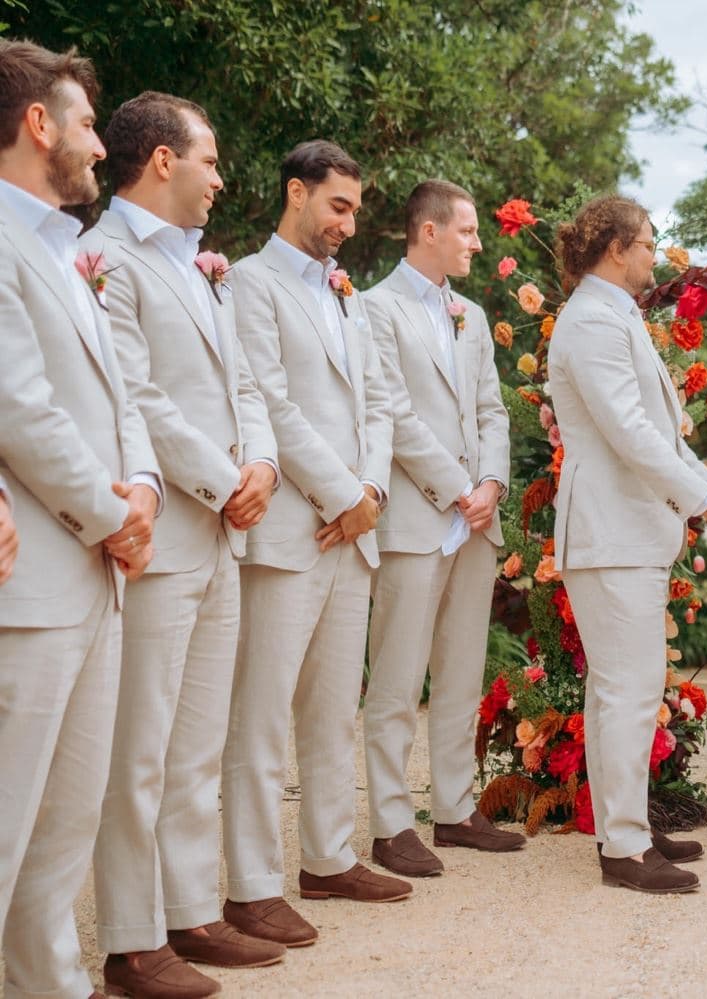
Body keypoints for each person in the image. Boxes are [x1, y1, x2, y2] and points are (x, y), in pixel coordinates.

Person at [85, 91, 285, 997]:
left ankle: (192, 910)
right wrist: (223, 478)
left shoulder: (205, 268)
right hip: (162, 530)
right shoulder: (104, 257)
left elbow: (244, 383)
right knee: (142, 745)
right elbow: (136, 394)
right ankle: (132, 943)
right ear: (163, 159)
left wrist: (265, 463)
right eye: (209, 159)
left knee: (198, 741)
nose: (219, 178)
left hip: (222, 535)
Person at [0, 39, 162, 998]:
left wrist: (141, 487)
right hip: (32, 586)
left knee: (63, 831)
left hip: (97, 574)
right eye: (90, 125)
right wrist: (111, 516)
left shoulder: (67, 251)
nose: (100, 146)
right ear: (38, 124)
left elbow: (119, 396)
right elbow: (20, 408)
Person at [220, 140, 405, 951]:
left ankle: (329, 857)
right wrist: (342, 495)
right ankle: (251, 886)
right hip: (290, 531)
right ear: (296, 192)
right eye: (338, 205)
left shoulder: (345, 294)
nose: (348, 224)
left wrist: (372, 494)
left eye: (355, 209)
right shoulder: (248, 283)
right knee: (261, 715)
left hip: (352, 529)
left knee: (333, 711)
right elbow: (268, 401)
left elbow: (378, 403)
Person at [548, 194, 707, 893]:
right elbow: (631, 435)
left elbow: (663, 437)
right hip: (610, 533)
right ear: (616, 248)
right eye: (647, 243)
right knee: (626, 690)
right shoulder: (591, 320)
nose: (654, 255)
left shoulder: (615, 314)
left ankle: (627, 825)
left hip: (627, 531)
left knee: (625, 689)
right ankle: (624, 846)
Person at [362, 179, 522, 878]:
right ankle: (391, 823)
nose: (476, 243)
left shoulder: (472, 316)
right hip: (415, 518)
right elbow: (393, 415)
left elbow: (492, 409)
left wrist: (491, 485)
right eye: (467, 230)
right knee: (397, 679)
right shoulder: (374, 309)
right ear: (429, 231)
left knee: (461, 672)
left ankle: (455, 809)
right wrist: (457, 488)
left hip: (476, 523)